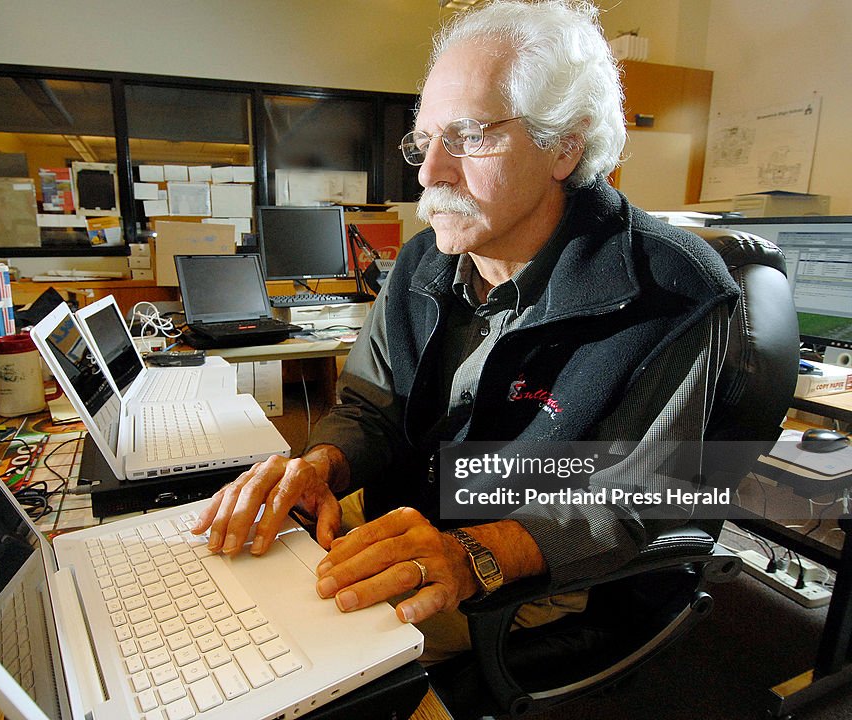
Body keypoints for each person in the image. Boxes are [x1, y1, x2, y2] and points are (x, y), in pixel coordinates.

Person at [192, 0, 739, 662]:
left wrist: (471, 553)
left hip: (527, 574)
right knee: (227, 613)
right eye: (425, 141)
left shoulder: (673, 291)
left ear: (564, 144)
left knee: (296, 671)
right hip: (405, 526)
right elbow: (371, 407)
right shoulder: (423, 262)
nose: (429, 173)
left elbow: (634, 498)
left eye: (472, 135)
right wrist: (320, 465)